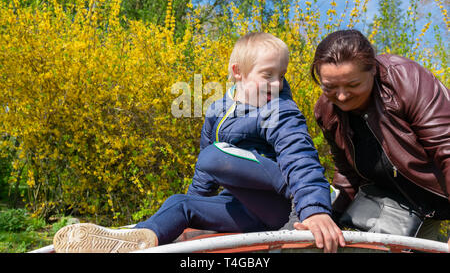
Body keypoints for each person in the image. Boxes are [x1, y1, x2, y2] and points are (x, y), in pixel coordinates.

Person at [53, 32, 345, 253]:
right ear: (237, 72)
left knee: (213, 156)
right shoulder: (217, 110)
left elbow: (300, 156)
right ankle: (140, 240)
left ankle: (309, 205)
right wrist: (195, 213)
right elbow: (206, 175)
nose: (276, 84)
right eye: (267, 75)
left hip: (282, 206)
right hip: (243, 211)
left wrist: (313, 209)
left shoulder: (280, 109)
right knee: (180, 203)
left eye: (281, 76)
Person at [311, 29, 449, 242]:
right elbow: (346, 174)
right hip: (386, 206)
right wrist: (326, 218)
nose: (341, 96)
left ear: (373, 69)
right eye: (329, 87)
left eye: (353, 84)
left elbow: (446, 149)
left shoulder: (407, 79)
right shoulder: (326, 111)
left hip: (431, 198)